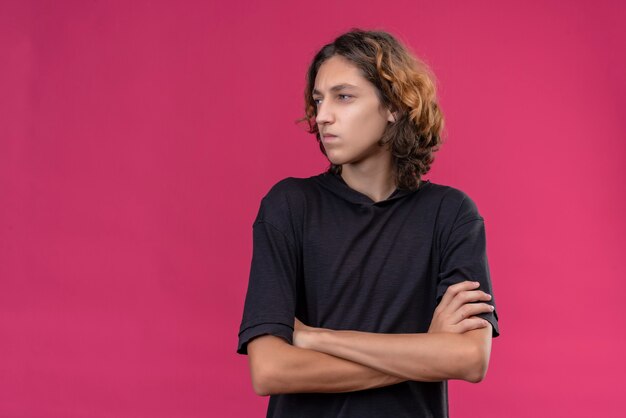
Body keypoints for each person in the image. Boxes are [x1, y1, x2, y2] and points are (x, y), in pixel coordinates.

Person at [236, 28, 500, 418]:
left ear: (394, 105)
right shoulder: (290, 205)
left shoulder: (451, 214)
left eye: (343, 97)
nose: (322, 116)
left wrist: (315, 337)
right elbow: (270, 370)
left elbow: (468, 359)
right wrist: (425, 351)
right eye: (318, 100)